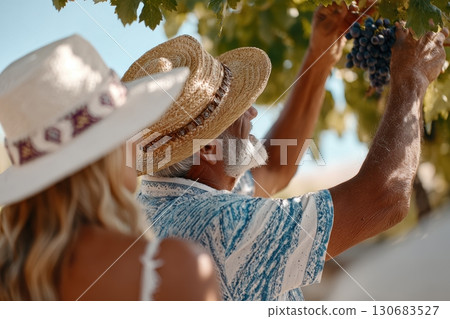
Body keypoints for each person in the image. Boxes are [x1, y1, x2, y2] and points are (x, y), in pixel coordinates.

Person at [122, 3, 449, 300]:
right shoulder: (221, 225)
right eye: (236, 112)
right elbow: (384, 198)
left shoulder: (164, 200)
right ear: (208, 148)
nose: (251, 114)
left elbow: (276, 168)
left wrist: (319, 56)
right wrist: (412, 78)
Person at [0, 35, 220, 301]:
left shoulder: (12, 279)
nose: (136, 141)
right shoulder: (173, 269)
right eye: (127, 126)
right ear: (105, 151)